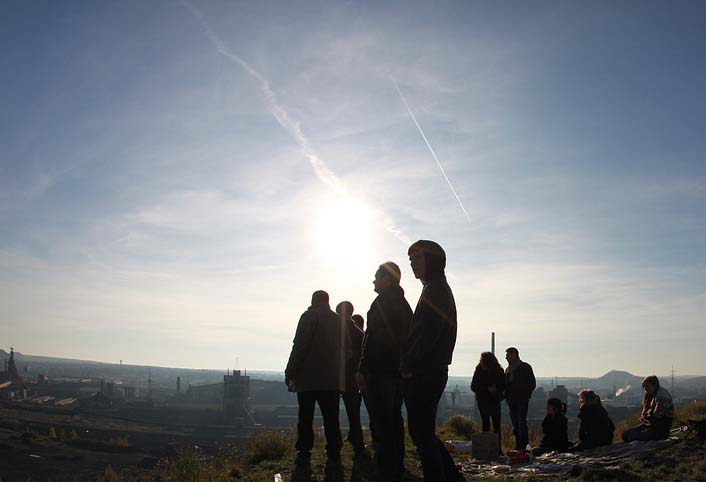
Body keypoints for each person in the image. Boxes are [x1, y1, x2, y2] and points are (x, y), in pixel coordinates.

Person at [401, 240, 467, 482]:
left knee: (421, 434)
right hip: (429, 370)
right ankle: (452, 477)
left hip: (425, 372)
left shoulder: (435, 289)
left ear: (433, 260)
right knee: (423, 433)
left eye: (417, 258)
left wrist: (409, 365)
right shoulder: (434, 287)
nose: (412, 264)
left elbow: (428, 333)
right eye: (410, 259)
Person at [357, 262, 413, 482]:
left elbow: (371, 340)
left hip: (380, 372)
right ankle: (394, 467)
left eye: (376, 277)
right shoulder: (401, 303)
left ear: (387, 280)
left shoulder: (383, 303)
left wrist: (363, 368)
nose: (373, 281)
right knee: (393, 421)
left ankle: (384, 471)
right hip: (394, 372)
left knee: (382, 423)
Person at [285, 290, 351, 465]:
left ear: (313, 301)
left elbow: (299, 345)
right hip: (332, 378)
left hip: (308, 377)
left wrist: (290, 372)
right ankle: (334, 449)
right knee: (331, 416)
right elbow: (348, 351)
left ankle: (305, 449)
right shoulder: (339, 320)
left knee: (305, 415)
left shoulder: (308, 316)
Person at [337, 300, 366, 455]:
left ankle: (337, 443)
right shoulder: (360, 333)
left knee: (332, 412)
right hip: (354, 375)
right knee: (353, 411)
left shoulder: (336, 330)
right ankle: (357, 440)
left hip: (338, 375)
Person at [622, 375, 674, 442]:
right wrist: (646, 415)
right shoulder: (650, 395)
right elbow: (645, 413)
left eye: (647, 386)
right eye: (644, 387)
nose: (645, 389)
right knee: (625, 435)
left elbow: (657, 415)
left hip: (659, 430)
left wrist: (647, 415)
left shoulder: (662, 396)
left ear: (654, 385)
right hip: (649, 425)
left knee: (630, 437)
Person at [504, 347, 536, 451]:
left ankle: (524, 445)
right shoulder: (508, 369)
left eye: (508, 355)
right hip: (511, 399)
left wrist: (525, 394)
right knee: (515, 423)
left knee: (521, 422)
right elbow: (506, 384)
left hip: (521, 399)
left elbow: (532, 383)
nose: (506, 358)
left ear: (514, 355)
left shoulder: (525, 367)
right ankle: (518, 445)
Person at [470, 352, 506, 437]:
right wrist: (487, 389)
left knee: (495, 425)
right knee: (486, 424)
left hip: (494, 400)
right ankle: (487, 446)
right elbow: (474, 386)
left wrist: (496, 390)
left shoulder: (498, 371)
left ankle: (496, 447)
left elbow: (503, 386)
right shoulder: (479, 371)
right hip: (484, 401)